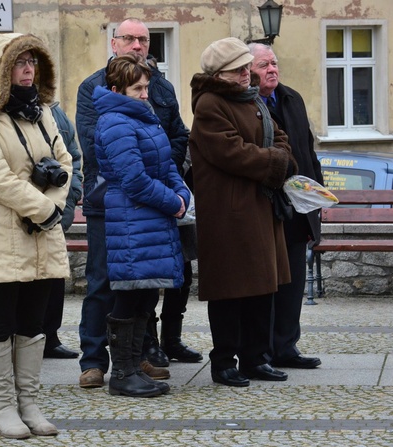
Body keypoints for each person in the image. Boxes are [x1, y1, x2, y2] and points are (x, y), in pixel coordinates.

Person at [0, 33, 72, 439]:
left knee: (34, 321)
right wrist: (43, 208)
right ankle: (4, 407)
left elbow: (64, 161)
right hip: (1, 232)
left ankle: (30, 403)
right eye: (20, 62)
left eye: (32, 62)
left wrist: (53, 205)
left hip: (43, 232)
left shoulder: (42, 110)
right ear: (1, 68)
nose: (28, 69)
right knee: (1, 319)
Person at [75, 17, 197, 389]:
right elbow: (99, 146)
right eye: (129, 38)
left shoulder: (159, 88)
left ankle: (137, 360)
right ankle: (95, 360)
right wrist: (166, 195)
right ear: (115, 43)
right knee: (104, 282)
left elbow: (176, 137)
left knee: (145, 283)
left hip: (152, 203)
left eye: (143, 38)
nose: (137, 44)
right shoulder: (94, 89)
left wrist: (177, 192)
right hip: (111, 202)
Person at [189, 37, 296, 387]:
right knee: (229, 291)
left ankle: (255, 357)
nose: (246, 74)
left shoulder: (254, 101)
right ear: (221, 74)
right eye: (239, 69)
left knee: (262, 287)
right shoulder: (209, 104)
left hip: (259, 208)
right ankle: (223, 362)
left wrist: (276, 157)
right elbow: (231, 152)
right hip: (228, 214)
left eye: (245, 67)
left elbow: (279, 139)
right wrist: (275, 161)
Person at [248, 43, 323, 370]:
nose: (272, 69)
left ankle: (286, 346)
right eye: (264, 65)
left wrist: (318, 192)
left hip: (298, 206)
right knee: (267, 282)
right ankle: (260, 352)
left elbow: (307, 148)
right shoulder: (247, 104)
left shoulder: (292, 98)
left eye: (274, 63)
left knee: (293, 283)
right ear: (248, 70)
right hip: (266, 206)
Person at [42, 102, 82, 360]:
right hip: (20, 211)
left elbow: (73, 161)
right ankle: (22, 338)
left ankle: (50, 337)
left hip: (56, 210)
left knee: (54, 275)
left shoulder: (56, 113)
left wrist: (67, 202)